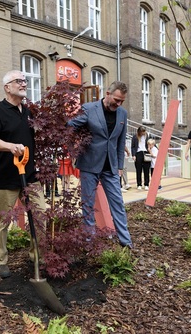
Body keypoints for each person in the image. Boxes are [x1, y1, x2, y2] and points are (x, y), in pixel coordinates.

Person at [0, 69, 46, 279]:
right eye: (18, 81)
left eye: (25, 81)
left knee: (40, 215)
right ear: (7, 87)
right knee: (3, 221)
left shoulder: (29, 112)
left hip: (29, 175)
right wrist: (11, 146)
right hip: (5, 177)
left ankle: (36, 255)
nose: (23, 84)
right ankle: (0, 260)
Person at [67, 81, 132, 249]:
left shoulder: (122, 114)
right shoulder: (89, 108)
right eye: (116, 100)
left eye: (122, 101)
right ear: (108, 93)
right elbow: (70, 127)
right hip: (89, 164)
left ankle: (125, 241)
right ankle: (89, 241)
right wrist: (73, 149)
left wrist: (119, 166)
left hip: (110, 166)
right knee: (87, 204)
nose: (118, 104)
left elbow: (120, 141)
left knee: (117, 203)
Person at [131, 126, 151, 190]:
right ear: (139, 132)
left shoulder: (148, 136)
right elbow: (133, 147)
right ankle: (139, 184)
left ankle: (146, 184)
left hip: (146, 153)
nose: (143, 133)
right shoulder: (135, 137)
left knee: (146, 170)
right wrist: (133, 155)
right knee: (138, 170)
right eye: (142, 132)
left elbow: (152, 143)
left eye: (144, 132)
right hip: (138, 153)